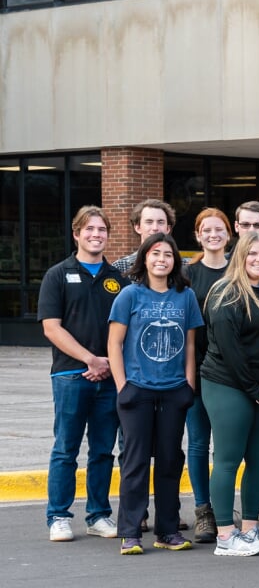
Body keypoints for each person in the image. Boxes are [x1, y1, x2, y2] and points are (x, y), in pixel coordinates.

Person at [108, 232, 204, 555]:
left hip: (174, 391)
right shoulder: (129, 296)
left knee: (169, 462)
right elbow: (114, 344)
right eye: (155, 253)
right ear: (144, 258)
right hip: (137, 391)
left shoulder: (185, 296)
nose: (161, 259)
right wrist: (123, 386)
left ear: (175, 260)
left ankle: (167, 530)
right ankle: (131, 532)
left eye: (167, 254)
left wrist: (188, 385)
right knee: (134, 463)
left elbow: (190, 344)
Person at [202, 231, 259, 556]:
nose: (258, 259)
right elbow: (230, 349)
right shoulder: (225, 294)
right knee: (228, 459)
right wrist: (254, 389)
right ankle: (225, 536)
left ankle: (250, 530)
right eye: (252, 254)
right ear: (240, 255)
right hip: (227, 384)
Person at [40, 206, 124, 543]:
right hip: (71, 376)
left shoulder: (118, 278)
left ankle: (98, 515)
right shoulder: (58, 274)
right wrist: (91, 359)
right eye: (89, 229)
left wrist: (107, 365)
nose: (96, 235)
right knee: (66, 449)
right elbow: (51, 328)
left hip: (109, 379)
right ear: (76, 234)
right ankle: (58, 516)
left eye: (102, 229)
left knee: (103, 451)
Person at [184, 208, 233, 544]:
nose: (213, 234)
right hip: (199, 371)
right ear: (198, 235)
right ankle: (204, 512)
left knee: (228, 449)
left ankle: (225, 508)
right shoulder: (188, 273)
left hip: (233, 375)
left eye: (219, 229)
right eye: (206, 230)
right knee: (199, 444)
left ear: (229, 234)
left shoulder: (239, 269)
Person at [111, 198, 175, 272]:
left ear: (168, 228)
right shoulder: (121, 267)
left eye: (160, 222)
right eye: (149, 222)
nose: (155, 228)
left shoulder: (184, 267)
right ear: (138, 227)